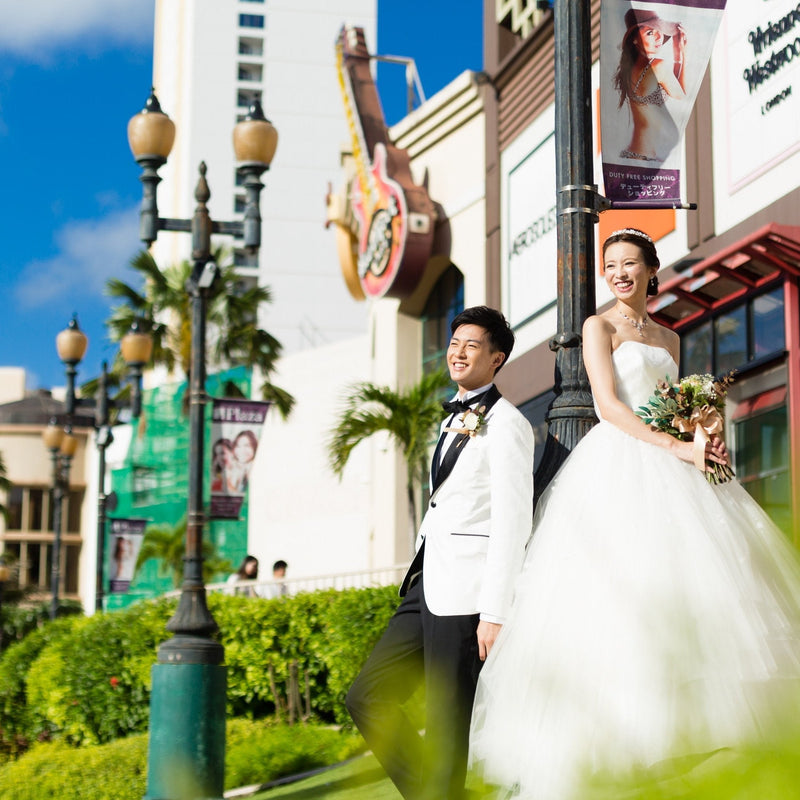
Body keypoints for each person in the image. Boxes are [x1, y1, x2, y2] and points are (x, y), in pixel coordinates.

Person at [469, 229, 800, 799]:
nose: (620, 273)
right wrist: (675, 447)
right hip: (618, 463)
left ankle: (683, 735)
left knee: (693, 592)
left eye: (630, 264)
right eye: (611, 265)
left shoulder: (670, 337)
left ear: (651, 269)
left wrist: (702, 433)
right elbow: (608, 407)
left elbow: (672, 407)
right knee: (616, 599)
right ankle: (614, 743)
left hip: (674, 466)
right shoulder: (598, 327)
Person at [346, 306, 536, 800]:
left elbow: (513, 522)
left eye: (472, 345)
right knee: (367, 696)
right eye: (455, 342)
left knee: (448, 726)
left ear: (496, 359)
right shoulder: (452, 416)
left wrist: (494, 612)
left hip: (469, 593)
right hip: (428, 580)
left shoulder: (509, 424)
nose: (458, 351)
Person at [614, 9, 687, 163]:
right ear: (634, 40)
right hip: (646, 156)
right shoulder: (657, 66)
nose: (659, 36)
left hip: (637, 152)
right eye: (649, 33)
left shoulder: (632, 70)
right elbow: (682, 96)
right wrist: (680, 54)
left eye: (658, 30)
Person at [226, 430, 258, 494]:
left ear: (254, 447)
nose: (242, 450)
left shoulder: (258, 469)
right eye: (238, 446)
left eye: (247, 446)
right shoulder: (229, 470)